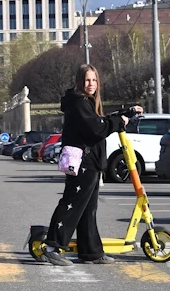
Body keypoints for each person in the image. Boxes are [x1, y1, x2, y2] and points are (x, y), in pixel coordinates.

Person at [39, 64, 140, 266]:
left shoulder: (86, 102)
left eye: (94, 80)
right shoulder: (78, 103)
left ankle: (91, 251)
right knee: (72, 204)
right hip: (83, 162)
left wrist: (124, 114)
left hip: (91, 162)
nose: (91, 84)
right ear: (79, 81)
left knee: (88, 209)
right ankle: (52, 247)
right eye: (87, 80)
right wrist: (119, 122)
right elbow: (96, 129)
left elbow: (100, 121)